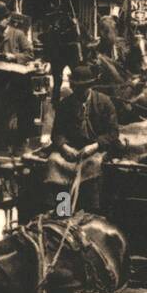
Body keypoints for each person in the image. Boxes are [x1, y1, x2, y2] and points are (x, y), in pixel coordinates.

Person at [45, 63, 121, 211]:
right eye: (75, 87)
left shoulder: (104, 102)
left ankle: (92, 210)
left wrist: (94, 146)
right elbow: (57, 133)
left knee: (93, 165)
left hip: (95, 149)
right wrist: (64, 147)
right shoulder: (65, 104)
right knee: (54, 162)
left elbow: (113, 132)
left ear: (90, 86)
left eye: (83, 87)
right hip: (72, 149)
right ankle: (63, 211)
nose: (78, 91)